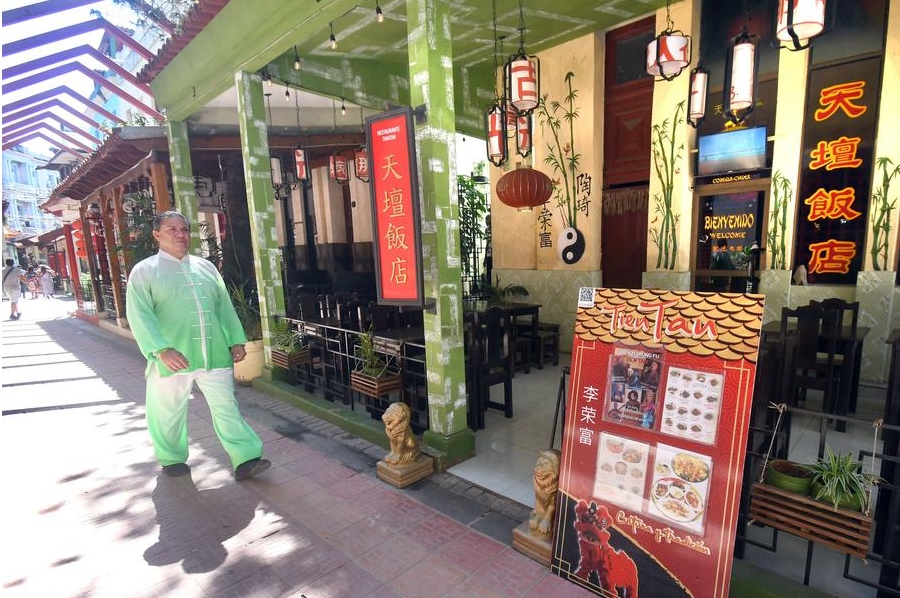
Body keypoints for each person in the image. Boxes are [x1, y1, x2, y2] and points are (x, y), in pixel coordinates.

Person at [126, 211, 270, 481]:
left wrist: (235, 339)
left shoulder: (206, 267)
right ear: (157, 235)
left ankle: (246, 457)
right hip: (172, 358)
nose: (180, 234)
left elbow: (223, 306)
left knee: (227, 407)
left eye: (184, 229)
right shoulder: (144, 271)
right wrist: (161, 350)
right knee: (167, 412)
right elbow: (139, 315)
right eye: (171, 229)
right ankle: (171, 458)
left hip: (214, 353)